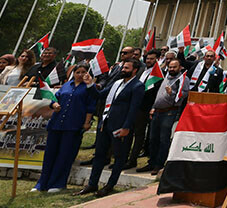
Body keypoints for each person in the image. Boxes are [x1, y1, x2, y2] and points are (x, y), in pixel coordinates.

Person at [75, 59, 145, 198]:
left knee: (119, 157)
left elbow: (134, 109)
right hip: (105, 124)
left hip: (120, 127)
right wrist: (90, 85)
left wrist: (126, 127)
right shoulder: (116, 83)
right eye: (122, 67)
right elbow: (100, 96)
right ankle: (92, 184)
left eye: (126, 68)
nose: (123, 70)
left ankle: (109, 186)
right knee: (100, 155)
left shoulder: (138, 86)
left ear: (134, 70)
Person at [33, 62, 97, 193]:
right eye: (77, 72)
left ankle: (57, 183)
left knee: (65, 155)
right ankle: (42, 184)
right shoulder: (66, 85)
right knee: (50, 154)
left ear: (87, 73)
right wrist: (54, 105)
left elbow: (91, 106)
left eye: (83, 72)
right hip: (57, 123)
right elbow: (54, 98)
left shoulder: (89, 88)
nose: (80, 75)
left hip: (73, 125)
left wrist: (87, 122)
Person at [138, 59, 188, 175]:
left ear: (180, 68)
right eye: (170, 67)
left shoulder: (182, 79)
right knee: (152, 139)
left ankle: (159, 165)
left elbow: (184, 94)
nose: (171, 69)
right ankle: (151, 162)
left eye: (174, 67)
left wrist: (172, 94)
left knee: (163, 140)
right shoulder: (165, 76)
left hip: (169, 112)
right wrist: (154, 107)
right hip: (157, 112)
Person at [126, 49, 161, 169]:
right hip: (133, 106)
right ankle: (124, 158)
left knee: (139, 134)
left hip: (144, 108)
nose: (149, 61)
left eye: (152, 59)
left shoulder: (159, 74)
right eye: (148, 58)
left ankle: (133, 160)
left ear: (157, 59)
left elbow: (156, 93)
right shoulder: (142, 70)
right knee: (128, 132)